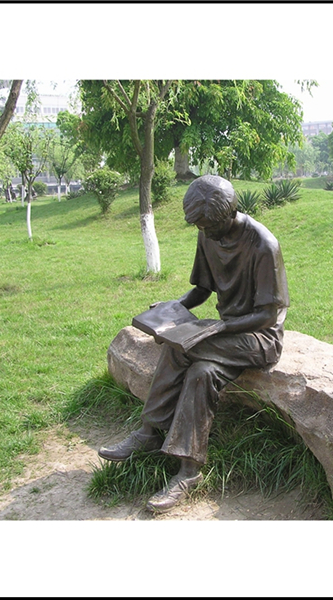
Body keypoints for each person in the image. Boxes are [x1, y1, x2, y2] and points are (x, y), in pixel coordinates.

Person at [98, 174, 290, 513]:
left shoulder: (264, 245)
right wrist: (173, 307)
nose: (204, 232)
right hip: (224, 336)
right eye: (200, 226)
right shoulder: (208, 234)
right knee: (202, 373)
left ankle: (149, 432)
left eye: (208, 226)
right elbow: (202, 290)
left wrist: (220, 327)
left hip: (259, 338)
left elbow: (266, 315)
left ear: (229, 214)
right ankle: (188, 471)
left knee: (181, 346)